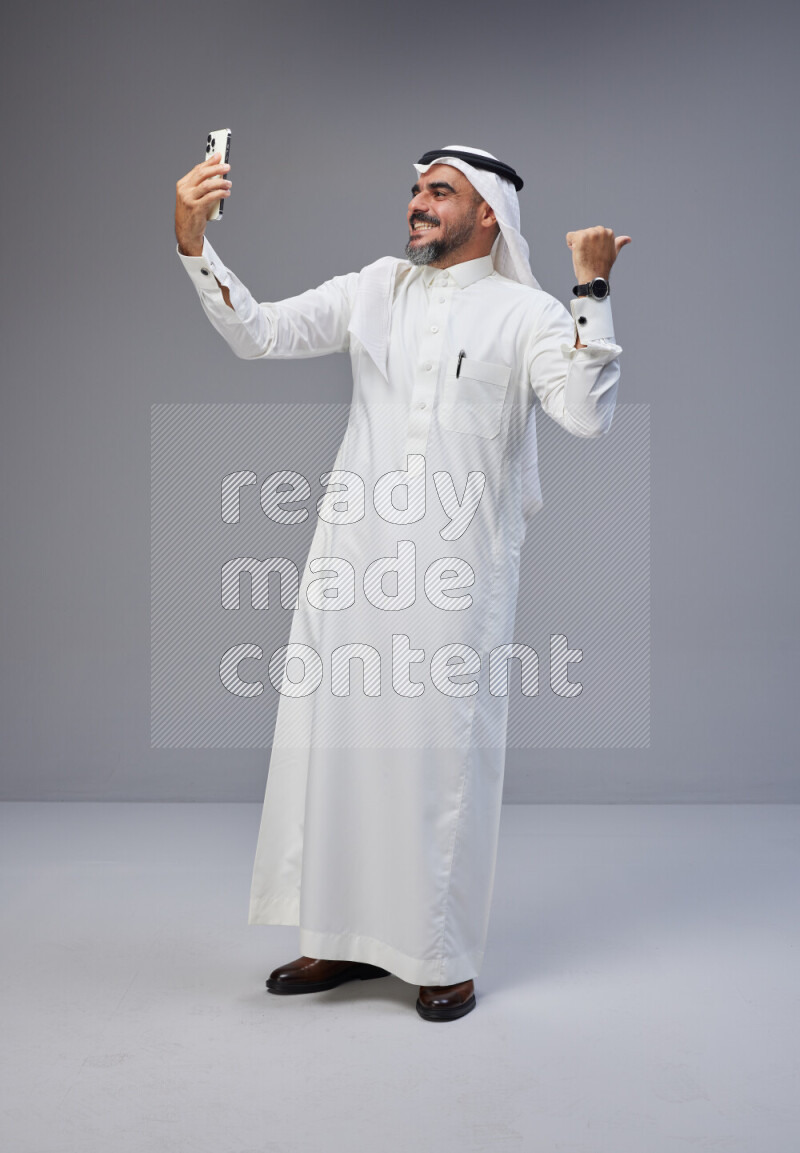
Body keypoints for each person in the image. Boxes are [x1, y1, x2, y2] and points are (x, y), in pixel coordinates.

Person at [175, 143, 630, 1022]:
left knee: (439, 758)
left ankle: (441, 955)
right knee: (338, 744)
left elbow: (584, 411)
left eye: (440, 192)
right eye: (416, 190)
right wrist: (196, 243)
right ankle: (340, 939)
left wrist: (592, 290)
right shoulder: (375, 287)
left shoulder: (527, 313)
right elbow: (260, 330)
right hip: (355, 561)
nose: (418, 203)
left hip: (459, 574)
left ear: (488, 214)